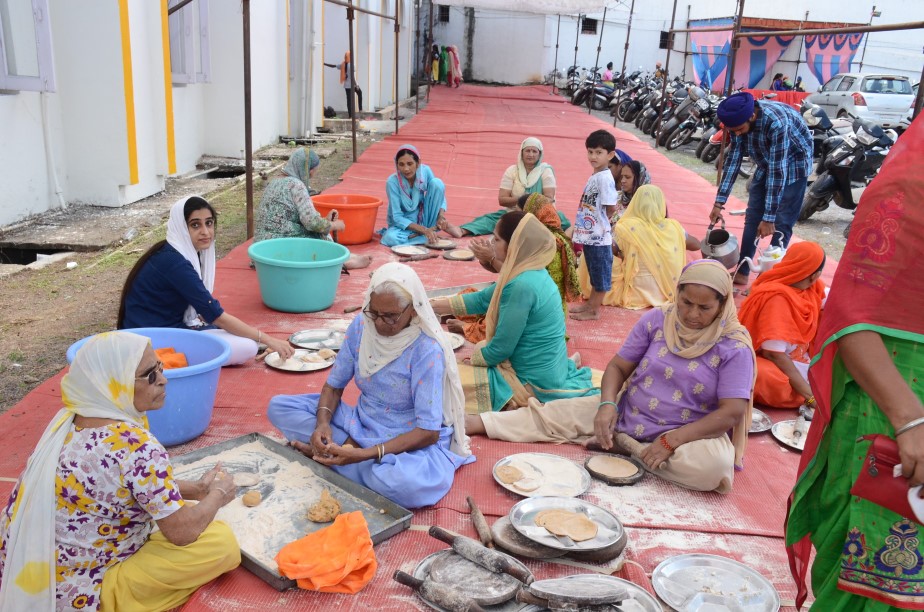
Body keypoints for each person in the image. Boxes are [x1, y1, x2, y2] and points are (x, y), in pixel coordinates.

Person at [786, 115, 924, 610]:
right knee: (870, 585)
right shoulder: (912, 183)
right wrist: (911, 420)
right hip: (894, 421)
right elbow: (850, 318)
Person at [466, 259, 756, 494]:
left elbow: (732, 411)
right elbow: (618, 367)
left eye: (704, 308)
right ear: (677, 292)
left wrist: (673, 441)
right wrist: (607, 405)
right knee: (558, 413)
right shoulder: (658, 320)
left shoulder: (733, 346)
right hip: (631, 411)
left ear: (722, 305)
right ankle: (480, 422)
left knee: (714, 468)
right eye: (686, 302)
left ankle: (627, 446)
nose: (692, 314)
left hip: (689, 433)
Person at [0, 332, 240, 611]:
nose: (163, 379)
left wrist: (198, 489)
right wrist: (218, 495)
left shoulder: (69, 421)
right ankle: (118, 600)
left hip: (40, 574)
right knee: (219, 542)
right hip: (89, 589)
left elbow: (117, 485)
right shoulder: (137, 447)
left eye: (160, 367)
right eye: (150, 375)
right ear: (113, 384)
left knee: (182, 513)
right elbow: (182, 532)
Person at [266, 263, 474, 509]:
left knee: (408, 485)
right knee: (279, 407)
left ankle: (338, 458)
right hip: (360, 423)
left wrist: (364, 454)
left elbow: (428, 432)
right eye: (374, 312)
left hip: (406, 440)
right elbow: (333, 387)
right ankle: (341, 456)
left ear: (414, 311)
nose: (380, 323)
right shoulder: (362, 326)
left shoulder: (426, 349)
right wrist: (322, 425)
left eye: (391, 316)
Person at [431, 212, 596, 413]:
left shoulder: (521, 285)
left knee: (447, 381)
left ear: (515, 245)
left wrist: (473, 360)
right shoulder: (530, 270)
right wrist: (433, 305)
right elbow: (484, 299)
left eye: (497, 239)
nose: (492, 243)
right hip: (550, 371)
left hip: (533, 381)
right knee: (480, 346)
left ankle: (514, 398)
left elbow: (501, 349)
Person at [118, 197, 295, 364]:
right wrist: (269, 340)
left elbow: (206, 314)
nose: (205, 232)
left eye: (209, 223)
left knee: (237, 335)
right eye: (195, 225)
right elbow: (216, 316)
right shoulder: (174, 263)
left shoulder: (177, 252)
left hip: (163, 330)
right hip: (150, 341)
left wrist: (261, 339)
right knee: (247, 347)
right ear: (181, 227)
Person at [709, 91, 814, 286]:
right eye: (733, 131)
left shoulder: (777, 123)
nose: (737, 133)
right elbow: (732, 162)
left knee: (781, 223)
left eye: (739, 129)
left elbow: (778, 171)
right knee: (753, 215)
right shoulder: (737, 124)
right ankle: (742, 270)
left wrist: (769, 218)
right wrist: (719, 203)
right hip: (767, 161)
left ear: (752, 116)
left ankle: (767, 278)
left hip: (793, 162)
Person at [450, 194, 580, 343]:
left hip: (537, 310)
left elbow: (520, 278)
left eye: (521, 214)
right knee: (469, 297)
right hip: (525, 296)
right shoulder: (534, 236)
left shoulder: (547, 245)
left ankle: (469, 328)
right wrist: (486, 258)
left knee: (498, 321)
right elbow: (506, 269)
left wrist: (491, 258)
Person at [737, 242, 826, 409]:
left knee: (832, 315)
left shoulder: (812, 288)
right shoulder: (776, 298)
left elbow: (838, 301)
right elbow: (773, 354)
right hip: (772, 362)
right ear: (815, 275)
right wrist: (810, 397)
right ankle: (802, 392)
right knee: (759, 375)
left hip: (801, 359)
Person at [255, 147, 371, 270]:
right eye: (311, 173)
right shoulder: (296, 185)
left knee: (320, 230)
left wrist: (326, 221)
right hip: (282, 246)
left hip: (261, 248)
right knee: (320, 237)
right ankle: (341, 262)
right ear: (305, 170)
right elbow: (312, 223)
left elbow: (289, 216)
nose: (310, 177)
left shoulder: (274, 182)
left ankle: (345, 257)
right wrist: (335, 225)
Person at [579, 185, 688, 310]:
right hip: (666, 293)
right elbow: (695, 244)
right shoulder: (674, 227)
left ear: (635, 203)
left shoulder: (627, 228)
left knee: (593, 253)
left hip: (635, 294)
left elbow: (606, 251)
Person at [460, 137, 557, 237]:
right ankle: (462, 231)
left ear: (539, 154)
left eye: (534, 151)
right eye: (527, 151)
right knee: (492, 220)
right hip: (515, 213)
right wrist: (522, 200)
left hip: (539, 215)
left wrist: (530, 202)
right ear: (522, 152)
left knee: (560, 221)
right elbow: (502, 200)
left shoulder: (545, 171)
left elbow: (549, 199)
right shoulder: (512, 171)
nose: (531, 154)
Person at [569, 129, 619, 321]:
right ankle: (589, 305)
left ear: (610, 155)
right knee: (593, 271)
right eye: (590, 151)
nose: (593, 156)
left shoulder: (605, 179)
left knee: (600, 275)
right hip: (589, 235)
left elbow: (611, 207)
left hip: (599, 237)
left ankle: (594, 310)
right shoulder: (596, 176)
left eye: (599, 152)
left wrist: (599, 225)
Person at [380, 144, 463, 246]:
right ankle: (427, 235)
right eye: (401, 164)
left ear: (418, 162)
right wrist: (424, 230)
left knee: (437, 183)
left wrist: (441, 217)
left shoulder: (425, 171)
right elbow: (397, 217)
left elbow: (440, 195)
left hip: (424, 218)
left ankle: (431, 229)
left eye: (410, 164)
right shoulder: (392, 182)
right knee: (390, 238)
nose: (406, 169)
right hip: (403, 225)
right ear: (396, 164)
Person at [324, 52, 362, 119]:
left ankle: (350, 115)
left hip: (347, 86)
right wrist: (356, 85)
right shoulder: (352, 65)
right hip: (352, 85)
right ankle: (360, 109)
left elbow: (333, 66)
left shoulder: (343, 64)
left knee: (349, 101)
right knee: (360, 93)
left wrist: (324, 64)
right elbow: (353, 77)